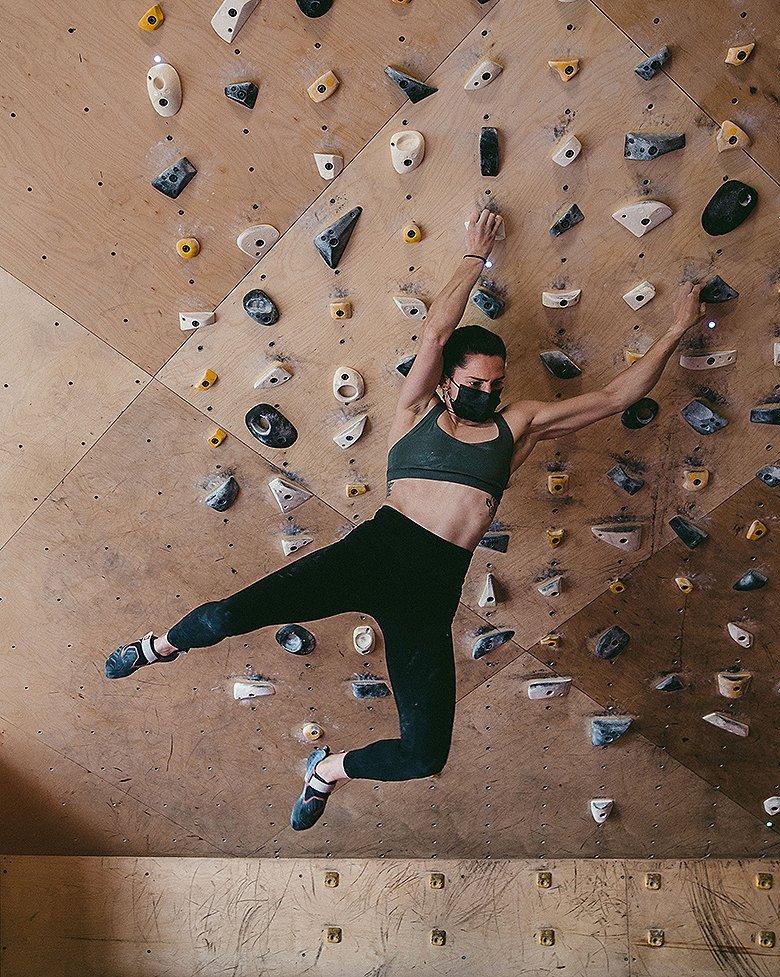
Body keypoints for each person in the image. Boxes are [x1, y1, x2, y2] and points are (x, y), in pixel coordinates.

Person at [104, 208, 702, 830]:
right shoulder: (416, 408)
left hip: (432, 588)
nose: (487, 393)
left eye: (495, 385)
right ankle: (154, 648)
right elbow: (437, 335)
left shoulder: (516, 426)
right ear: (448, 384)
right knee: (225, 616)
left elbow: (614, 399)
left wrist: (679, 327)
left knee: (424, 754)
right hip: (376, 552)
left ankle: (324, 771)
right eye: (475, 382)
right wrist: (474, 256)